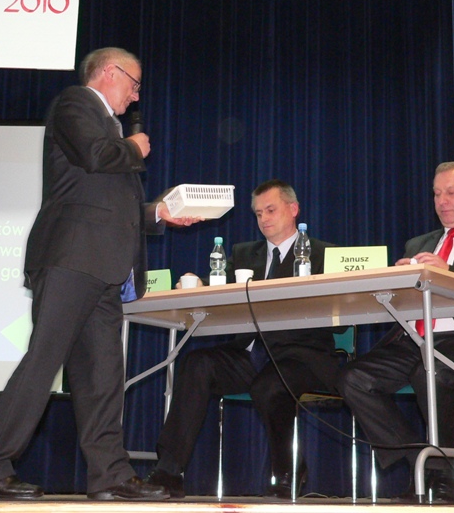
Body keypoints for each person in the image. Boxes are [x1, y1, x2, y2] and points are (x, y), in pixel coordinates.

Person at [0, 47, 199, 501]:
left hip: (104, 267)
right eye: (133, 83)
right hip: (71, 259)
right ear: (109, 72)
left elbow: (108, 204)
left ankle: (110, 476)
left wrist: (158, 214)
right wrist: (133, 147)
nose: (135, 95)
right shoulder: (75, 103)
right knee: (43, 362)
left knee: (103, 375)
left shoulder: (108, 128)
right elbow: (94, 156)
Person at [337, 161, 454, 503]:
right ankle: (424, 464)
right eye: (437, 194)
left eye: (451, 192)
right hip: (415, 340)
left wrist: (449, 272)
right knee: (354, 378)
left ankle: (439, 477)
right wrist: (395, 283)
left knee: (432, 371)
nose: (442, 201)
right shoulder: (419, 244)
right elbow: (405, 301)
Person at [146, 179, 340, 499]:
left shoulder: (324, 254)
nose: (264, 219)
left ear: (293, 209)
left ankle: (288, 472)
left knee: (270, 385)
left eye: (271, 210)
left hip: (301, 356)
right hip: (251, 354)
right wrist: (197, 284)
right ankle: (169, 470)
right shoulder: (244, 253)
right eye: (258, 213)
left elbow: (341, 307)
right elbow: (220, 285)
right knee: (197, 362)